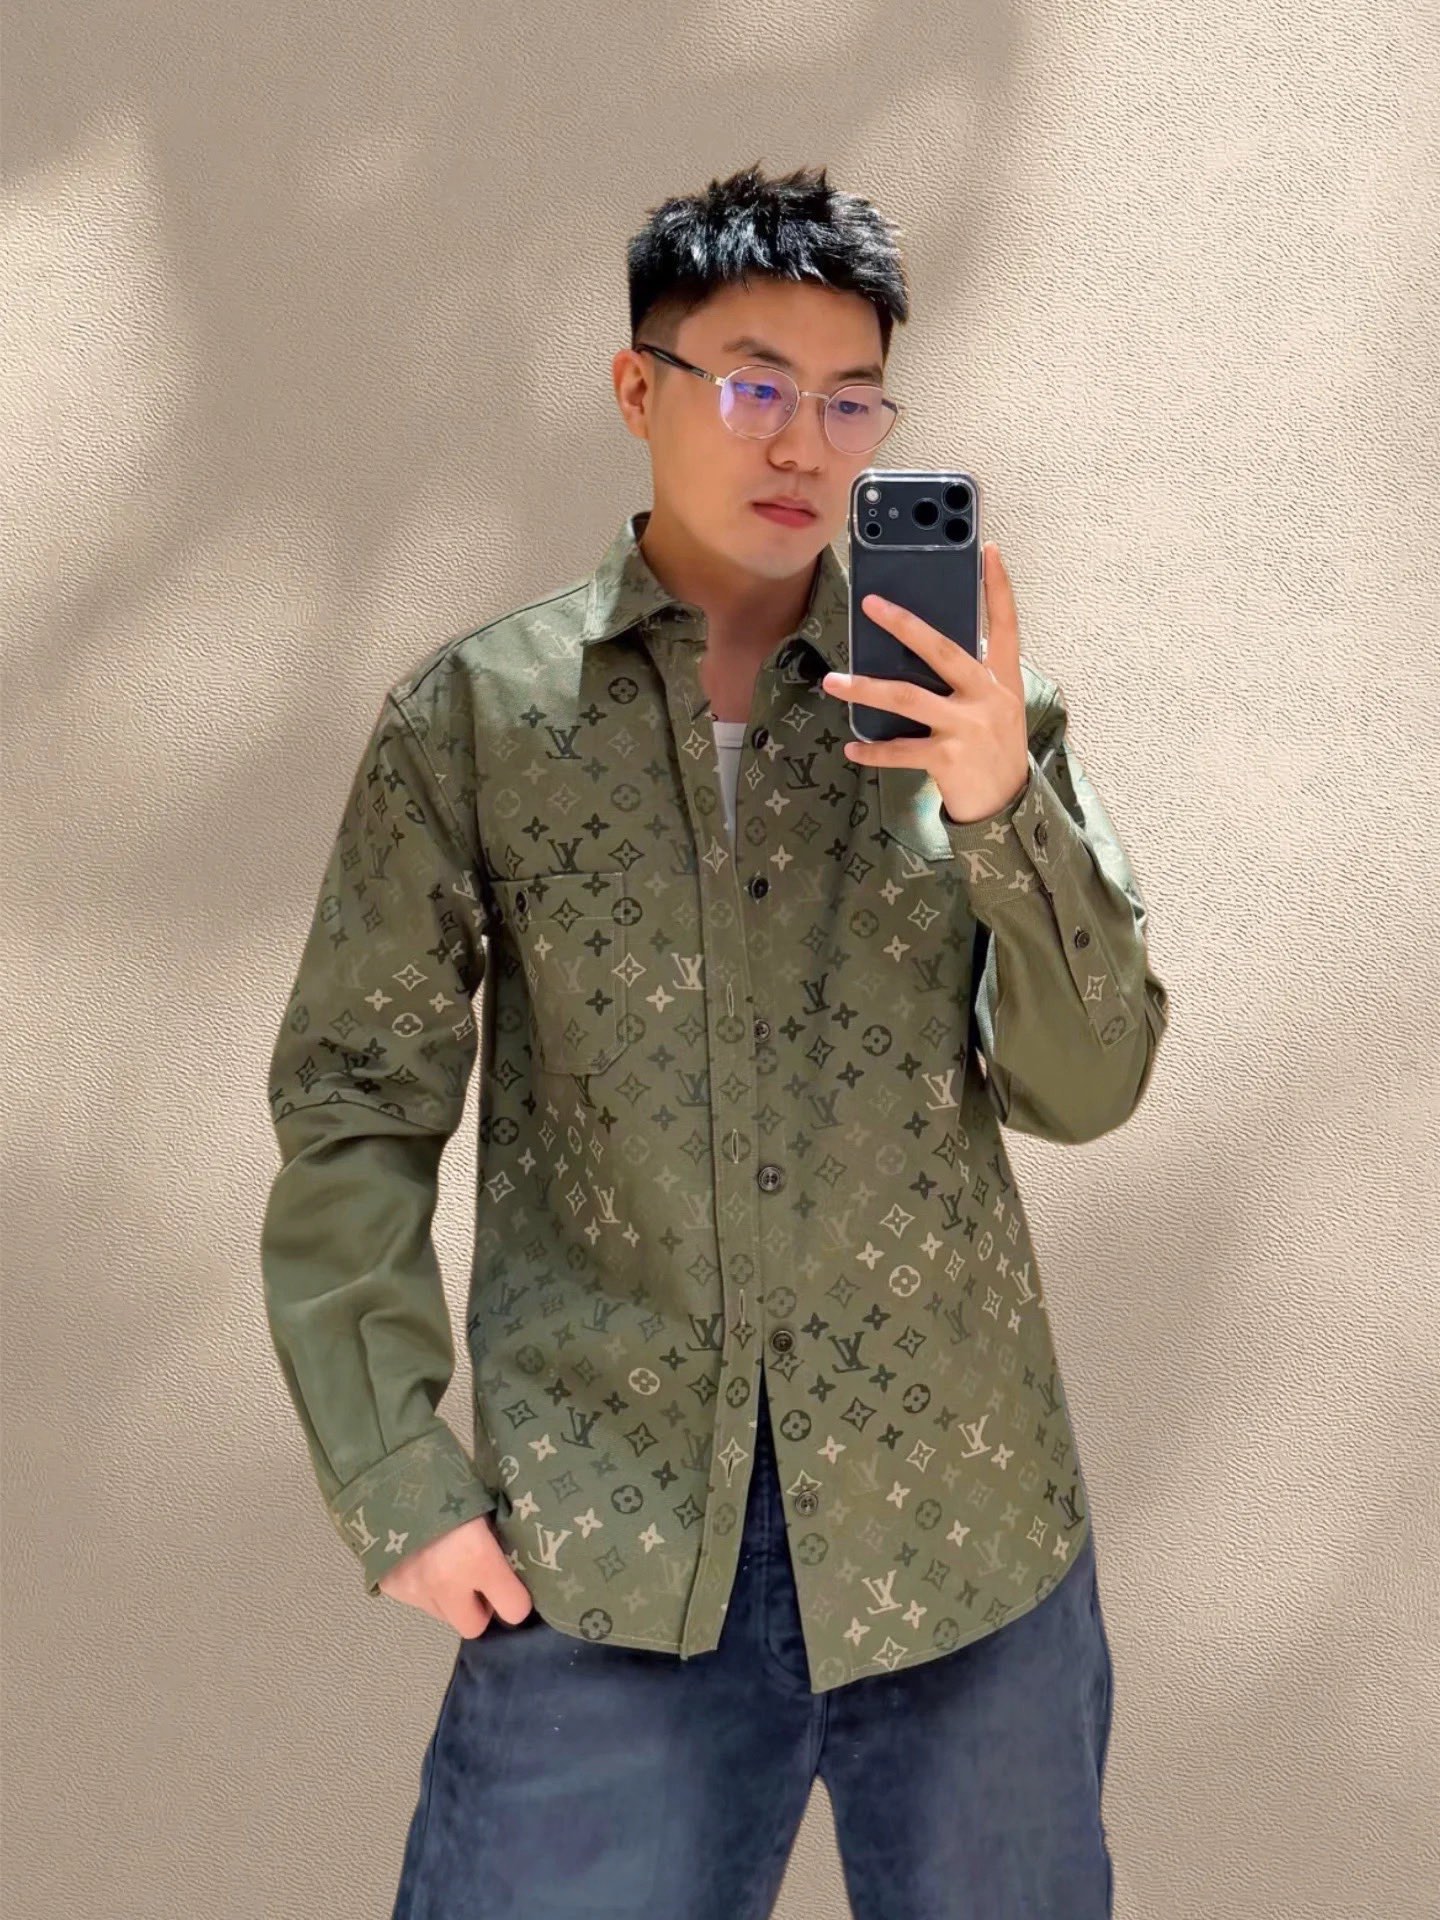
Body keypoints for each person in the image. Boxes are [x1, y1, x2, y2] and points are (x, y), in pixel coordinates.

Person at [260, 159, 1169, 1920]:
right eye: (754, 387)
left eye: (849, 402)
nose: (802, 444)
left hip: (959, 1536)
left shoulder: (977, 719)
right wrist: (394, 1472)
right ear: (638, 387)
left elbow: (1090, 1083)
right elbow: (357, 1104)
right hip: (609, 1546)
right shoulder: (476, 724)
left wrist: (1003, 804)